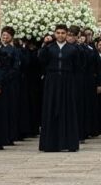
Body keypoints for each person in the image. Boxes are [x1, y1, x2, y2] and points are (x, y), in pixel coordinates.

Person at [38, 24, 80, 152]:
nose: (60, 35)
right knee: (51, 108)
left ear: (66, 34)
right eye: (58, 33)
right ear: (54, 34)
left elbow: (77, 66)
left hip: (67, 81)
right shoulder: (49, 48)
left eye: (63, 33)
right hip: (52, 81)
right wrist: (44, 45)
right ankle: (50, 143)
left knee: (67, 109)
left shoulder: (73, 49)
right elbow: (41, 61)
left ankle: (68, 143)